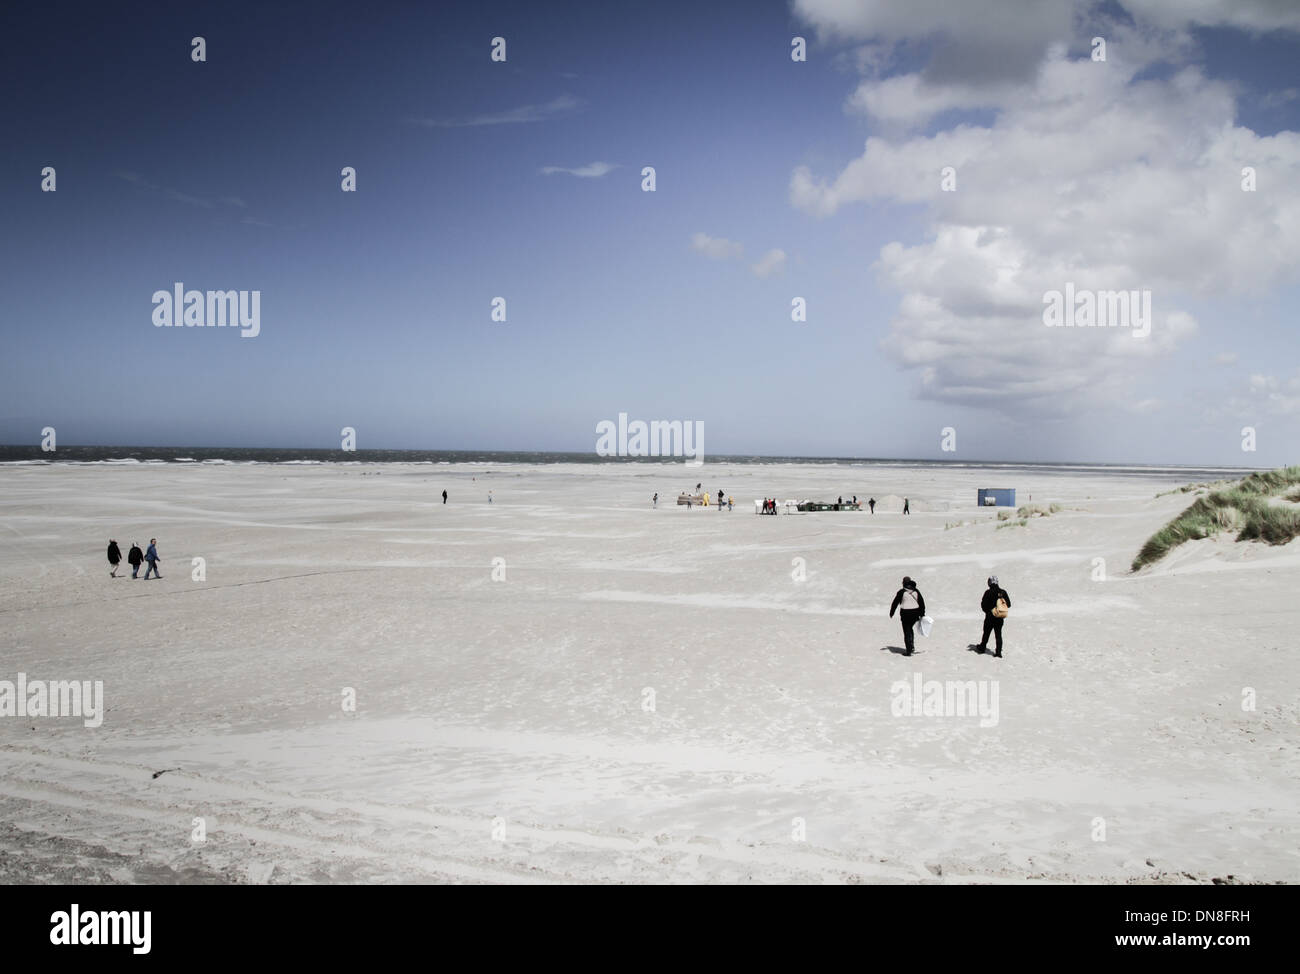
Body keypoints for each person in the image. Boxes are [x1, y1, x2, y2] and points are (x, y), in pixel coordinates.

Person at [889, 576, 926, 656]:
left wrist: (892, 612)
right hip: (915, 614)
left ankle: (909, 650)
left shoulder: (901, 592)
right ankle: (911, 647)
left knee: (907, 631)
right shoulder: (916, 591)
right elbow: (922, 603)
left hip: (905, 614)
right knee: (910, 629)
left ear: (904, 583)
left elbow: (895, 603)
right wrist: (922, 614)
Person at [977, 576, 1011, 657]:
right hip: (999, 617)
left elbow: (983, 605)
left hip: (989, 617)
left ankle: (982, 647)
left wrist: (989, 611)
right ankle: (998, 652)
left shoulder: (988, 592)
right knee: (998, 634)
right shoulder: (1003, 592)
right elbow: (1008, 604)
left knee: (986, 633)